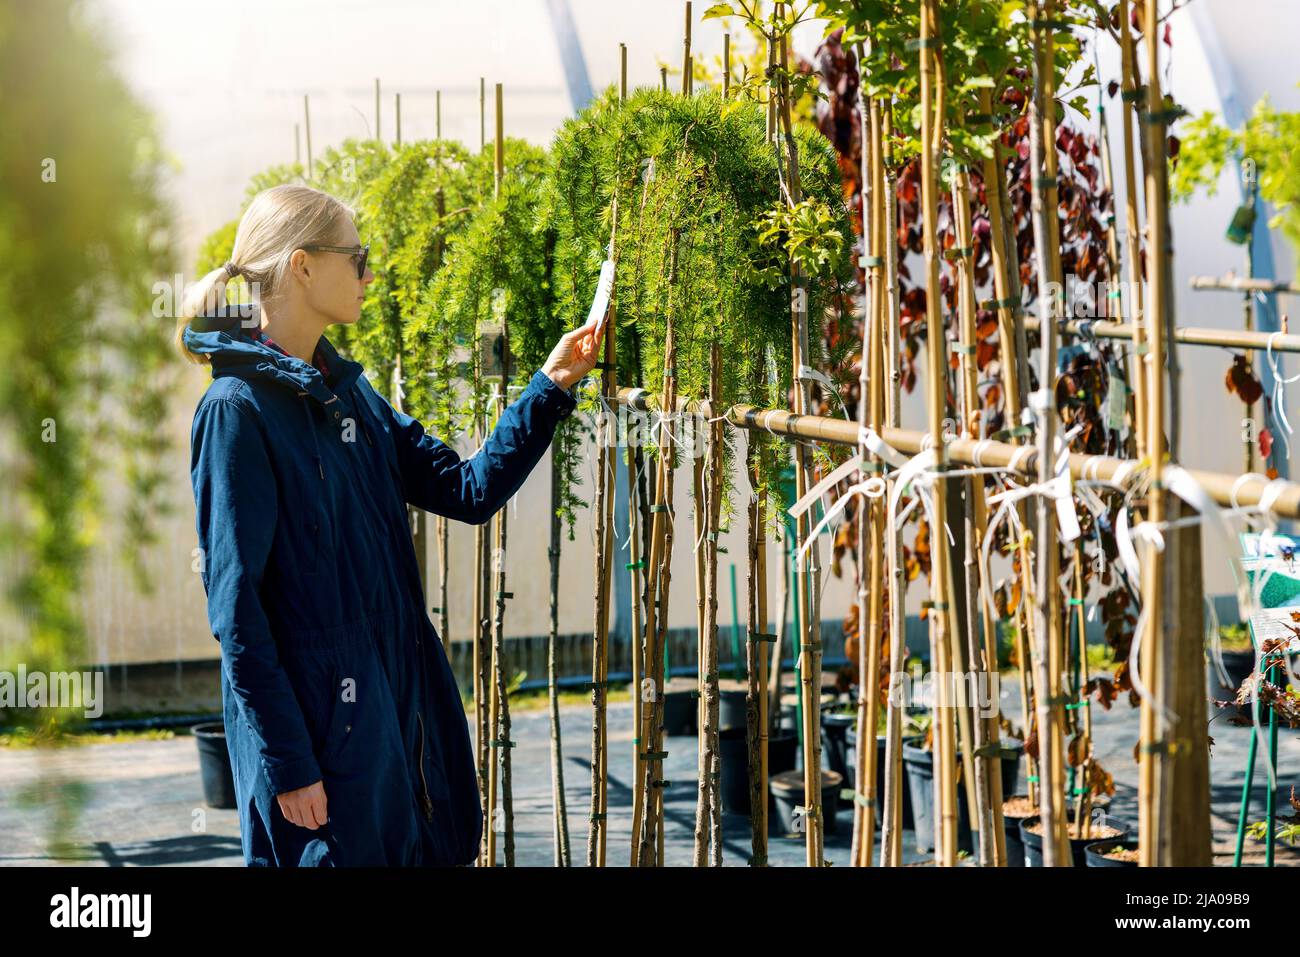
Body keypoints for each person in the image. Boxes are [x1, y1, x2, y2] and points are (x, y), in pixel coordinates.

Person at [177, 183, 598, 866]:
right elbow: (237, 612)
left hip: (401, 726)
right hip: (322, 753)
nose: (369, 275)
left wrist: (550, 386)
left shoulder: (353, 395)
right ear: (302, 265)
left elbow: (469, 488)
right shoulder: (236, 412)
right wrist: (289, 761)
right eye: (357, 255)